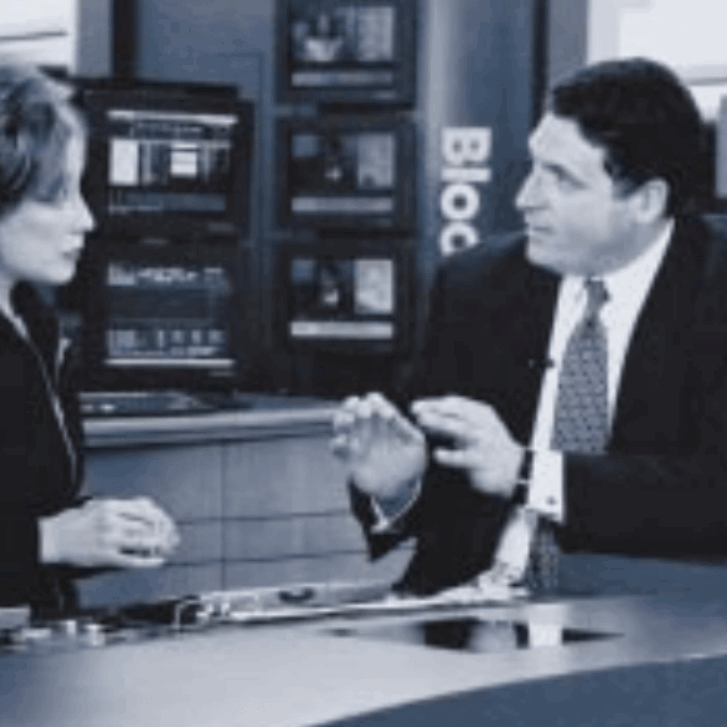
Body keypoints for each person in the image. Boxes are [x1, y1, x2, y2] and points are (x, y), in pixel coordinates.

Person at [332, 57, 727, 597]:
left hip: (646, 622)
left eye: (561, 179)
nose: (525, 199)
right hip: (464, 608)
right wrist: (400, 487)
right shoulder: (477, 283)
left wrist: (529, 473)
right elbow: (448, 491)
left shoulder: (715, 288)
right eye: (534, 166)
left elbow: (711, 492)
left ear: (646, 200)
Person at [0, 63, 179, 614]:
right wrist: (50, 540)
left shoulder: (38, 330)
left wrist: (102, 530)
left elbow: (26, 507)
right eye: (57, 197)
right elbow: (35, 535)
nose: (86, 220)